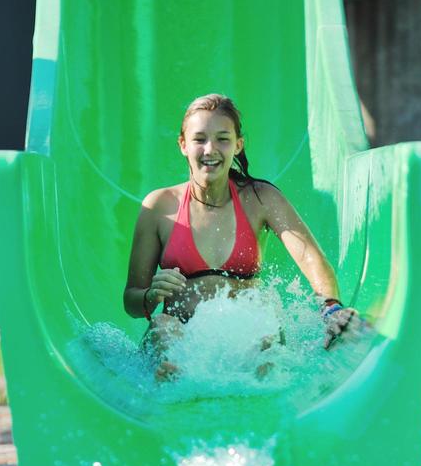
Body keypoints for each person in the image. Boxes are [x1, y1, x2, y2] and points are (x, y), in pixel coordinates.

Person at [124, 93, 355, 378]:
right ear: (183, 145)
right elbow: (131, 300)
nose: (210, 149)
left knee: (266, 331)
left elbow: (310, 258)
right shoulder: (159, 207)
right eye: (199, 139)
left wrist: (331, 309)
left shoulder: (261, 198)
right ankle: (175, 380)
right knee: (162, 327)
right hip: (182, 337)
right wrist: (150, 296)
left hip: (246, 334)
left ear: (238, 145)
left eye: (222, 138)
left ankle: (259, 381)